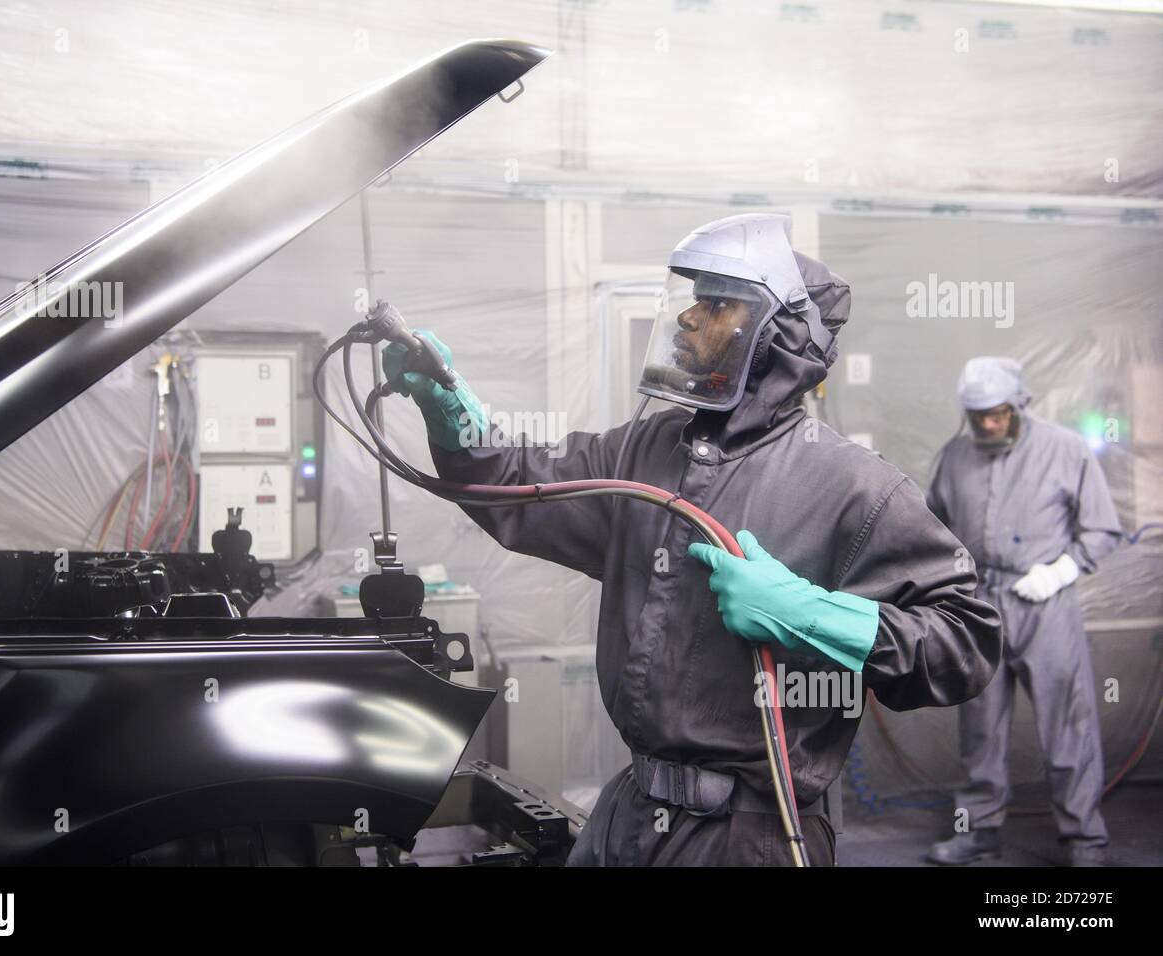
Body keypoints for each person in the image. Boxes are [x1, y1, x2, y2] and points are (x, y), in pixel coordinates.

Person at [384, 213, 1002, 866]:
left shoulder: (852, 485)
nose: (688, 318)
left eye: (715, 305)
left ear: (775, 333)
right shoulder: (648, 449)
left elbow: (965, 639)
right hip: (630, 817)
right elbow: (518, 486)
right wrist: (448, 407)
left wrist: (809, 616)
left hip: (754, 836)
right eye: (693, 299)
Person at [926, 357, 1122, 867]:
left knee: (1067, 726)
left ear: (1018, 405)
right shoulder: (954, 457)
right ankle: (979, 832)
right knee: (980, 729)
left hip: (1045, 603)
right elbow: (934, 531)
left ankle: (1083, 841)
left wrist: (1060, 570)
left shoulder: (1065, 450)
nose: (988, 424)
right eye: (978, 416)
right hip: (980, 605)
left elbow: (1102, 529)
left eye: (998, 413)